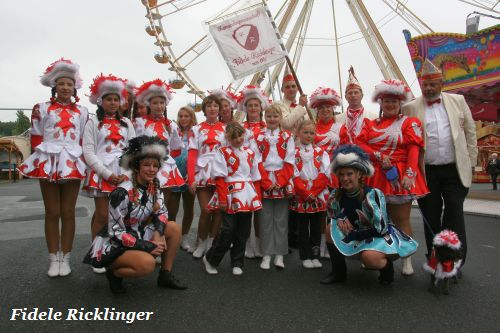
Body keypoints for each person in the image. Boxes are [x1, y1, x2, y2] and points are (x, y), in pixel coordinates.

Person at [83, 136, 187, 293]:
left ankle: (165, 274)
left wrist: (158, 233)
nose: (152, 169)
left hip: (138, 231)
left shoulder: (154, 186)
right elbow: (116, 231)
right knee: (147, 265)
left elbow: (162, 212)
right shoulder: (121, 193)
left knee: (173, 228)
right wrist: (147, 246)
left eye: (155, 166)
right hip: (115, 242)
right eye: (147, 165)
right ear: (137, 167)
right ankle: (114, 272)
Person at [402, 59, 478, 266]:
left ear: (441, 84)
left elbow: (470, 132)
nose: (428, 88)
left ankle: (456, 258)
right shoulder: (409, 108)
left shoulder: (458, 101)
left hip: (454, 170)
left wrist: (472, 161)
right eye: (425, 85)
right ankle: (434, 257)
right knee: (431, 217)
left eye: (432, 84)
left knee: (454, 212)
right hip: (427, 172)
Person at [18, 58, 88, 277]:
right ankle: (53, 258)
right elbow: (37, 137)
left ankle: (65, 257)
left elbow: (84, 139)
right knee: (52, 212)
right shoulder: (41, 108)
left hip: (72, 162)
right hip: (48, 161)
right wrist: (38, 162)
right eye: (61, 84)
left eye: (69, 84)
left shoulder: (83, 111)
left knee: (68, 212)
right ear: (54, 86)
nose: (66, 87)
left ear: (74, 87)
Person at [357, 79, 428, 275]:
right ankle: (374, 254)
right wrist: (378, 155)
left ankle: (406, 259)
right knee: (374, 218)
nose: (390, 105)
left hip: (398, 176)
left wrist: (410, 174)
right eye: (386, 101)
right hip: (375, 175)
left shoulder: (408, 122)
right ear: (380, 103)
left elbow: (414, 148)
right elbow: (361, 145)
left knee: (401, 219)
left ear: (400, 104)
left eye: (394, 102)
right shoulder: (370, 124)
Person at [322, 144, 418, 285]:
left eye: (349, 174)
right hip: (354, 234)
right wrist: (340, 219)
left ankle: (387, 270)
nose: (345, 178)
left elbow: (381, 228)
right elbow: (332, 216)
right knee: (330, 228)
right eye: (341, 174)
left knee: (370, 259)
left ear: (359, 174)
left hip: (377, 237)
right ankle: (338, 273)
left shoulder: (372, 194)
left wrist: (354, 236)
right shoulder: (336, 194)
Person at [82, 74, 136, 275]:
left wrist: (125, 173)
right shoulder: (92, 122)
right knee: (103, 214)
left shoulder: (127, 123)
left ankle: (114, 249)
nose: (113, 103)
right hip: (101, 172)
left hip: (123, 173)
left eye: (116, 99)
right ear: (100, 100)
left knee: (120, 215)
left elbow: (133, 149)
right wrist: (105, 173)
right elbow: (88, 151)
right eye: (108, 99)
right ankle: (97, 253)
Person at [202, 122, 262, 275]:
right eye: (234, 137)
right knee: (227, 230)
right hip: (230, 194)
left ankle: (237, 262)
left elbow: (255, 177)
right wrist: (222, 199)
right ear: (228, 137)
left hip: (247, 194)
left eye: (240, 136)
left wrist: (258, 198)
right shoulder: (222, 152)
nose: (238, 139)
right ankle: (211, 259)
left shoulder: (250, 152)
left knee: (243, 230)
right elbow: (220, 178)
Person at [256, 104, 295, 270]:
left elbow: (290, 160)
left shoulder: (287, 137)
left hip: (282, 179)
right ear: (265, 117)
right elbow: (256, 161)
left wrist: (281, 181)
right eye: (269, 116)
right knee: (265, 220)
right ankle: (266, 254)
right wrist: (265, 181)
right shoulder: (257, 137)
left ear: (280, 118)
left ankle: (280, 254)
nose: (272, 119)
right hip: (264, 178)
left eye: (275, 116)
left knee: (281, 220)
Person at [134, 79, 185, 202]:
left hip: (165, 167)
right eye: (155, 103)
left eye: (162, 102)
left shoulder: (171, 125)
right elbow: (133, 147)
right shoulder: (140, 123)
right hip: (146, 168)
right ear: (149, 104)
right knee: (145, 204)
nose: (159, 106)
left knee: (162, 205)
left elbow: (176, 148)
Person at [187, 95, 225, 258]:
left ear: (219, 109)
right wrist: (191, 179)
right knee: (206, 209)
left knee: (218, 212)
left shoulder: (226, 129)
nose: (212, 108)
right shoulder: (196, 129)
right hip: (202, 173)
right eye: (209, 106)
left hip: (220, 173)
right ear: (204, 109)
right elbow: (192, 156)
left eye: (215, 106)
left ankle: (211, 243)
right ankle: (201, 242)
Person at [291, 120, 330, 269]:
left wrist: (314, 192)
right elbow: (293, 174)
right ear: (298, 133)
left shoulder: (321, 152)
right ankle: (305, 256)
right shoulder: (292, 153)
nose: (308, 135)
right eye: (305, 132)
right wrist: (305, 192)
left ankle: (315, 254)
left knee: (316, 227)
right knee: (302, 227)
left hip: (317, 194)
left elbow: (325, 173)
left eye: (312, 133)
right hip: (302, 194)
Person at [237, 85, 269, 259]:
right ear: (246, 108)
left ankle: (258, 242)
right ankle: (248, 244)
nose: (253, 108)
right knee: (246, 210)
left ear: (261, 107)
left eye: (256, 105)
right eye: (250, 105)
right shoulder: (240, 128)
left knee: (259, 210)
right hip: (244, 173)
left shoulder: (268, 127)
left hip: (263, 173)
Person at [310, 86, 342, 258]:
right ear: (317, 110)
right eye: (321, 107)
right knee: (319, 212)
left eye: (327, 107)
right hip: (315, 173)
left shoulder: (339, 128)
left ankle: (333, 244)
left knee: (334, 210)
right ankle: (319, 244)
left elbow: (346, 149)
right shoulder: (312, 128)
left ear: (333, 108)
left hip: (335, 173)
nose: (324, 110)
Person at [168, 106, 197, 252]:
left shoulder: (196, 133)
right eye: (181, 116)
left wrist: (193, 174)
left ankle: (184, 238)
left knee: (189, 208)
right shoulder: (174, 132)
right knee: (171, 209)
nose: (183, 119)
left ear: (192, 118)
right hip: (174, 175)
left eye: (187, 116)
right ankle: (170, 237)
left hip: (189, 175)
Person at [338, 66, 377, 144]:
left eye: (356, 92)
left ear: (362, 95)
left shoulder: (374, 118)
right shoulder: (337, 119)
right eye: (350, 93)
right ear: (345, 97)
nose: (353, 95)